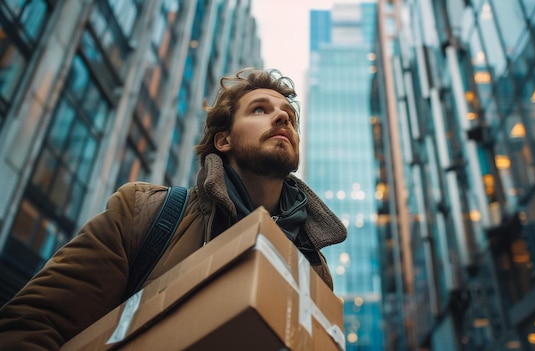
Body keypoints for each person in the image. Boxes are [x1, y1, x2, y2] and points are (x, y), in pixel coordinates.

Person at [0, 68, 347, 350]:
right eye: (260, 109)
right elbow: (33, 323)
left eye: (289, 116)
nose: (282, 119)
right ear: (223, 140)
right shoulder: (143, 212)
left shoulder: (314, 269)